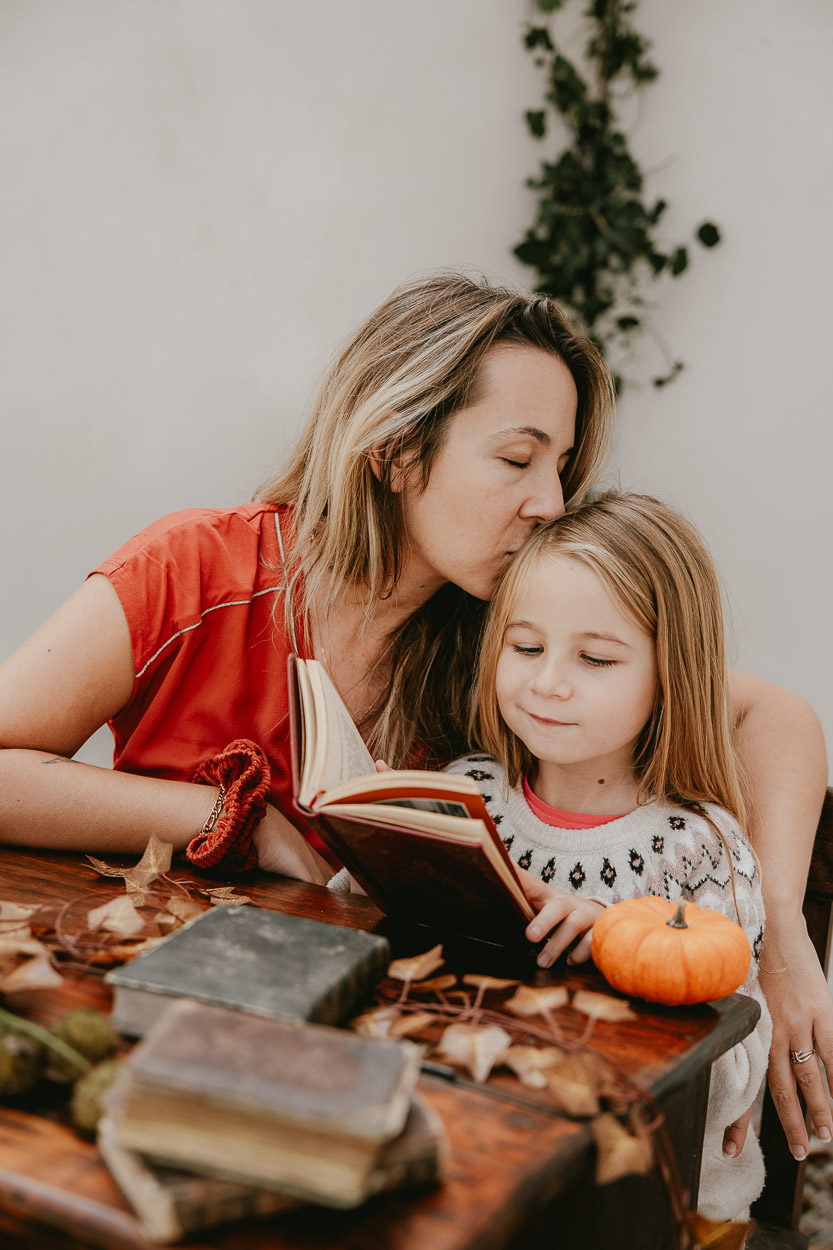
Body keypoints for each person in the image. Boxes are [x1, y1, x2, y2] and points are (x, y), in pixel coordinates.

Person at [0, 272, 828, 1156]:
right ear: (395, 450)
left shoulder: (505, 640)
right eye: (517, 459)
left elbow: (769, 716)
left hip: (384, 1082)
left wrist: (778, 931)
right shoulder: (195, 570)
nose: (550, 500)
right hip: (150, 1034)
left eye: (560, 466)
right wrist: (228, 816)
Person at [445, 490, 771, 1220]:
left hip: (662, 1202)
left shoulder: (698, 849)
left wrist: (617, 940)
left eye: (594, 657)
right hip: (496, 1160)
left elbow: (732, 1079)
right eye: (524, 647)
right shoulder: (467, 795)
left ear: (668, 676)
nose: (547, 681)